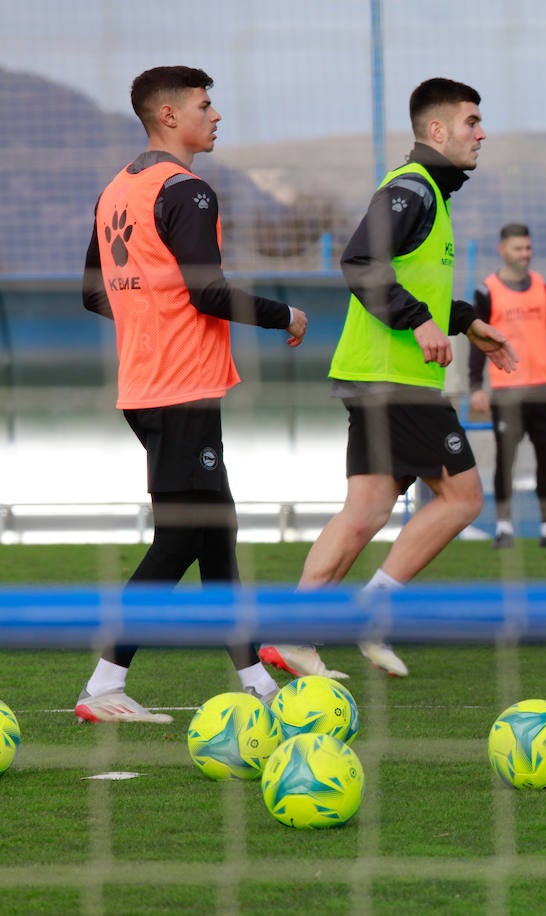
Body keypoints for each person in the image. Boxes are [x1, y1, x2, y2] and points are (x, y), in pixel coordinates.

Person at [257, 78, 516, 681]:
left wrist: (464, 321)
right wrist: (421, 320)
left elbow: (411, 281)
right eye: (472, 121)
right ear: (436, 131)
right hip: (393, 380)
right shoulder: (410, 189)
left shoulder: (433, 195)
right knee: (464, 497)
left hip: (377, 376)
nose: (482, 132)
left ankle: (296, 636)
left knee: (367, 509)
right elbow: (361, 261)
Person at [77, 66, 308, 722]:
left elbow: (94, 293)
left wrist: (150, 319)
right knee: (180, 541)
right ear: (170, 116)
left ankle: (257, 684)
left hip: (146, 385)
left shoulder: (116, 190)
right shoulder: (188, 191)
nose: (217, 115)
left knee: (217, 534)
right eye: (206, 105)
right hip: (179, 387)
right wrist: (284, 315)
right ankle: (102, 684)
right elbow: (207, 291)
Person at [467, 223, 546, 548]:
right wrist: (476, 384)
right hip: (506, 390)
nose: (525, 254)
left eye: (528, 248)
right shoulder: (487, 290)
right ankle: (503, 528)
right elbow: (478, 339)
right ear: (503, 250)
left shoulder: (542, 288)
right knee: (506, 459)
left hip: (544, 387)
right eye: (519, 248)